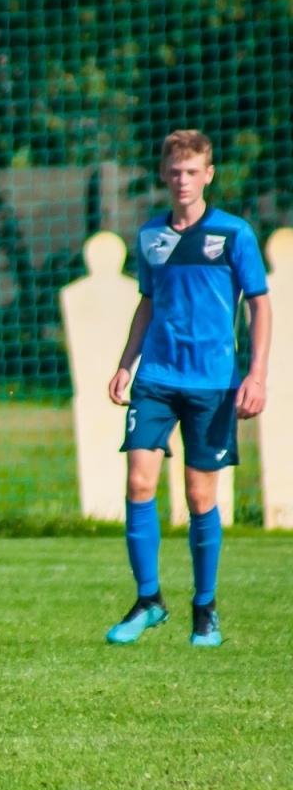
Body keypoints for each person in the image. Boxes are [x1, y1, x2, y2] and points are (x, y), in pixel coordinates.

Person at [106, 129, 272, 647]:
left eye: (193, 171)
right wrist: (126, 364)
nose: (183, 181)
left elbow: (259, 305)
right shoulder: (151, 236)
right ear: (164, 174)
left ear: (209, 174)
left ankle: (205, 610)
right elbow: (148, 303)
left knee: (200, 496)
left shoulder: (234, 234)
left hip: (213, 384)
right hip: (156, 378)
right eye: (175, 172)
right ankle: (149, 600)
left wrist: (257, 375)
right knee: (138, 483)